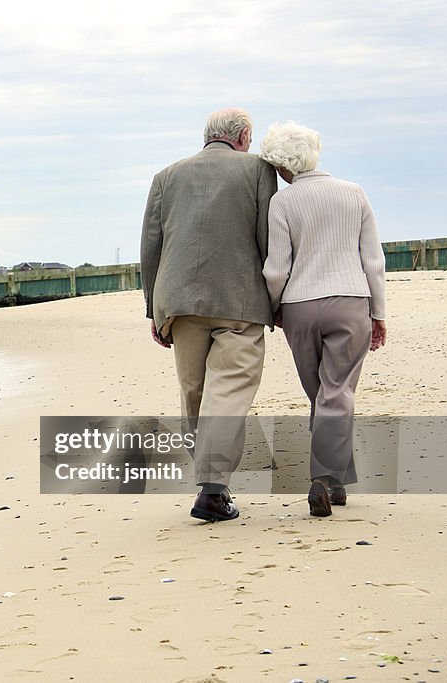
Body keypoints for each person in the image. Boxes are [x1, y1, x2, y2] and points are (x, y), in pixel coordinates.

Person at [141, 108, 278, 522]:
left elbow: (151, 244)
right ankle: (213, 489)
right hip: (239, 299)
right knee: (230, 388)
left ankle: (210, 482)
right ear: (243, 136)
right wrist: (276, 298)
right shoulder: (257, 170)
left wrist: (153, 307)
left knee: (194, 392)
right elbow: (267, 236)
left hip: (178, 302)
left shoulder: (166, 175)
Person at [259, 121, 387, 517]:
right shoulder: (354, 193)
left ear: (282, 167)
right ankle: (325, 479)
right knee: (337, 393)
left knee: (322, 394)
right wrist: (379, 313)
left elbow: (276, 268)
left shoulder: (282, 203)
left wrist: (275, 306)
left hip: (299, 306)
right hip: (351, 301)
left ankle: (334, 482)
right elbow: (373, 261)